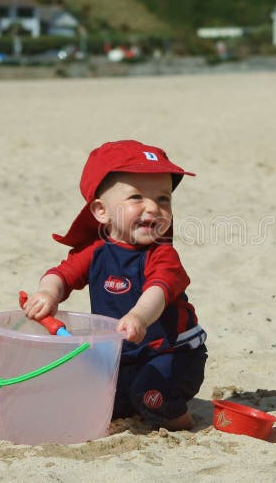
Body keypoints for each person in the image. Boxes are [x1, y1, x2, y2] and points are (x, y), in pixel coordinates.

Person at [22, 140, 207, 431]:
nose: (153, 208)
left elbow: (157, 292)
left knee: (150, 393)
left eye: (163, 199)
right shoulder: (95, 251)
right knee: (97, 398)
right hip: (123, 357)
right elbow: (61, 274)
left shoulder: (162, 254)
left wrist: (139, 316)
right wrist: (48, 293)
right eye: (136, 197)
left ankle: (186, 425)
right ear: (100, 211)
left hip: (173, 355)